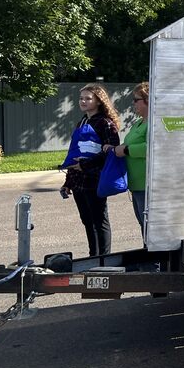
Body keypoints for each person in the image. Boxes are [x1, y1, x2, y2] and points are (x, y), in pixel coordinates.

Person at [61, 83, 121, 256]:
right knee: (87, 221)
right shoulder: (82, 122)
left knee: (99, 221)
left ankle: (103, 258)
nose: (83, 101)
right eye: (81, 98)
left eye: (88, 98)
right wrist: (68, 183)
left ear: (99, 101)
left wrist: (86, 165)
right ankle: (93, 257)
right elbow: (75, 152)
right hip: (78, 181)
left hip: (95, 179)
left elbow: (111, 152)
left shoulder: (105, 123)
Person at [105, 82, 148, 238]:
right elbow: (128, 143)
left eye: (136, 100)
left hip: (146, 185)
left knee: (148, 226)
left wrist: (126, 150)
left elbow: (152, 147)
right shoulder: (138, 123)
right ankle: (148, 255)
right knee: (143, 224)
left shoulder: (154, 123)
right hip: (136, 184)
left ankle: (155, 260)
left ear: (148, 100)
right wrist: (114, 148)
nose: (133, 103)